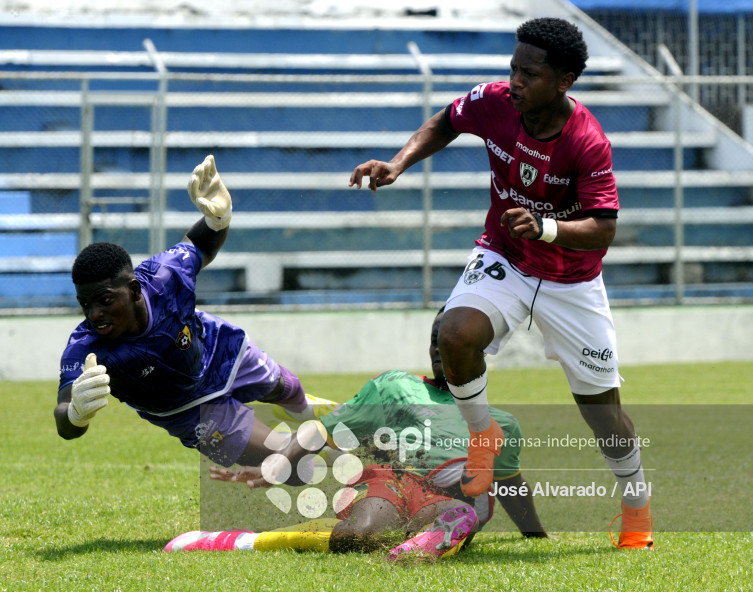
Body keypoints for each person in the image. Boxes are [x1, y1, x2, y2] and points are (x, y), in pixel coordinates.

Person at [349, 18, 653, 550]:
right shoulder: (494, 102)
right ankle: (482, 433)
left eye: (529, 74)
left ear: (564, 81)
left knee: (603, 414)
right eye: (513, 68)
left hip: (570, 280)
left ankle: (636, 508)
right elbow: (446, 121)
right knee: (455, 333)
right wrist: (399, 164)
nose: (514, 81)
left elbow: (605, 227)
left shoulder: (586, 141)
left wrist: (548, 226)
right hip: (505, 259)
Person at [164, 308, 547, 560]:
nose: (438, 350)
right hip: (392, 485)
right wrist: (279, 462)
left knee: (459, 513)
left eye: (450, 343)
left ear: (478, 353)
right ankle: (244, 541)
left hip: (443, 499)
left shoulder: (501, 423)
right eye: (435, 340)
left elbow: (511, 482)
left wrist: (536, 537)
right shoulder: (396, 386)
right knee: (359, 536)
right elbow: (321, 429)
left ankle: (420, 546)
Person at [54, 155, 335, 468]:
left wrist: (220, 216)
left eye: (104, 300)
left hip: (219, 351)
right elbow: (63, 421)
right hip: (186, 411)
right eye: (85, 304)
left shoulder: (165, 276)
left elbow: (203, 243)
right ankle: (360, 460)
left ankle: (309, 411)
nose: (93, 314)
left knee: (287, 387)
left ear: (133, 290)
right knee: (284, 463)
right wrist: (76, 414)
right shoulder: (84, 348)